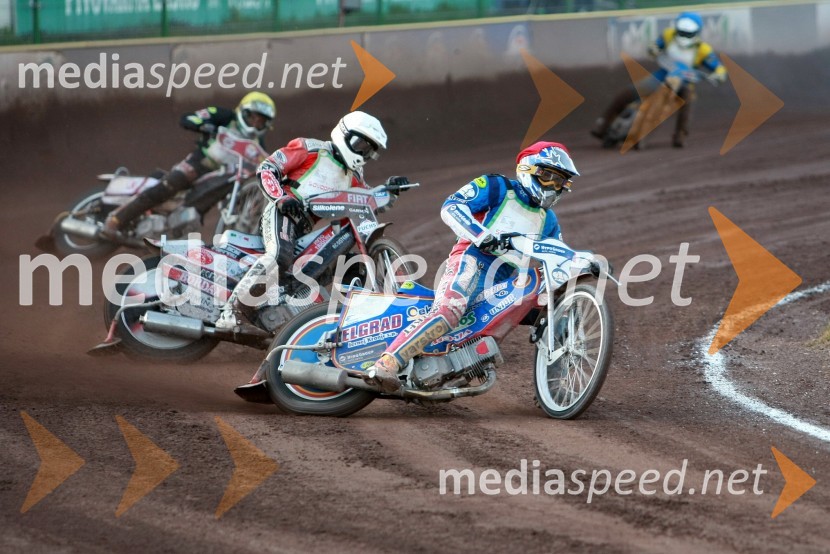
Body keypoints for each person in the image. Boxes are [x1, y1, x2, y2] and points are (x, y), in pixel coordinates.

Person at [363, 141, 579, 393]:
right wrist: (481, 234)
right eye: (548, 176)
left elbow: (557, 259)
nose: (553, 186)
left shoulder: (548, 221)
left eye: (560, 181)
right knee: (449, 310)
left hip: (504, 284)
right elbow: (451, 206)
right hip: (470, 261)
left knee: (558, 312)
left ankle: (556, 387)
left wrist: (580, 265)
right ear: (528, 168)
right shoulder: (496, 186)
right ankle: (386, 363)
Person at [215, 110, 409, 334]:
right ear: (344, 134)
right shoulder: (310, 149)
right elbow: (267, 168)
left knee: (350, 267)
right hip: (283, 213)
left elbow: (366, 201)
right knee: (280, 255)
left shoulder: (354, 175)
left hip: (305, 229)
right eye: (360, 144)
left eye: (369, 150)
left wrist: (390, 189)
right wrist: (281, 197)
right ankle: (232, 312)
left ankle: (348, 328)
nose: (363, 153)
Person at [101, 91, 276, 238]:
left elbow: (261, 165)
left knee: (198, 211)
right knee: (171, 184)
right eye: (252, 117)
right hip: (201, 163)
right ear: (242, 112)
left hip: (225, 177)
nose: (255, 124)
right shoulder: (224, 115)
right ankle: (117, 219)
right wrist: (205, 126)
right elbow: (189, 118)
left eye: (260, 121)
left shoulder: (258, 144)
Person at [591, 11, 727, 148]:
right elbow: (655, 46)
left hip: (685, 83)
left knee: (688, 104)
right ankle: (602, 125)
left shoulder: (704, 50)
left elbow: (719, 68)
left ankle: (680, 136)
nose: (684, 36)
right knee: (627, 94)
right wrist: (653, 49)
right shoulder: (668, 35)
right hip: (663, 75)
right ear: (677, 29)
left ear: (696, 32)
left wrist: (718, 75)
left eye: (688, 33)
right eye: (682, 32)